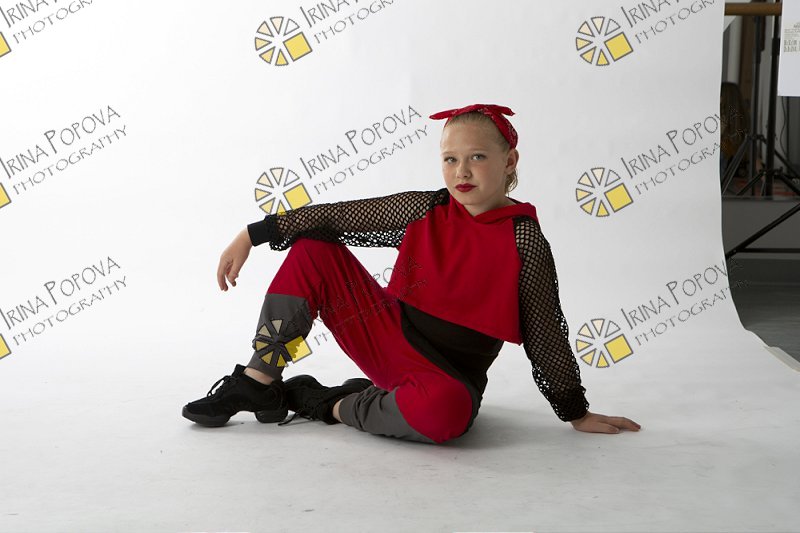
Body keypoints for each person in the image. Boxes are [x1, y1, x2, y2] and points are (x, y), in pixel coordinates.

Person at [182, 103, 641, 444]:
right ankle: (259, 382)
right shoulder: (427, 209)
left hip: (446, 377)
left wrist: (575, 411)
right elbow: (338, 216)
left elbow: (545, 331)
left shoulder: (525, 241)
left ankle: (328, 402)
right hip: (386, 335)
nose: (462, 172)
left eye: (478, 157)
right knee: (313, 250)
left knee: (445, 416)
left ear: (509, 162)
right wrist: (253, 234)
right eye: (450, 159)